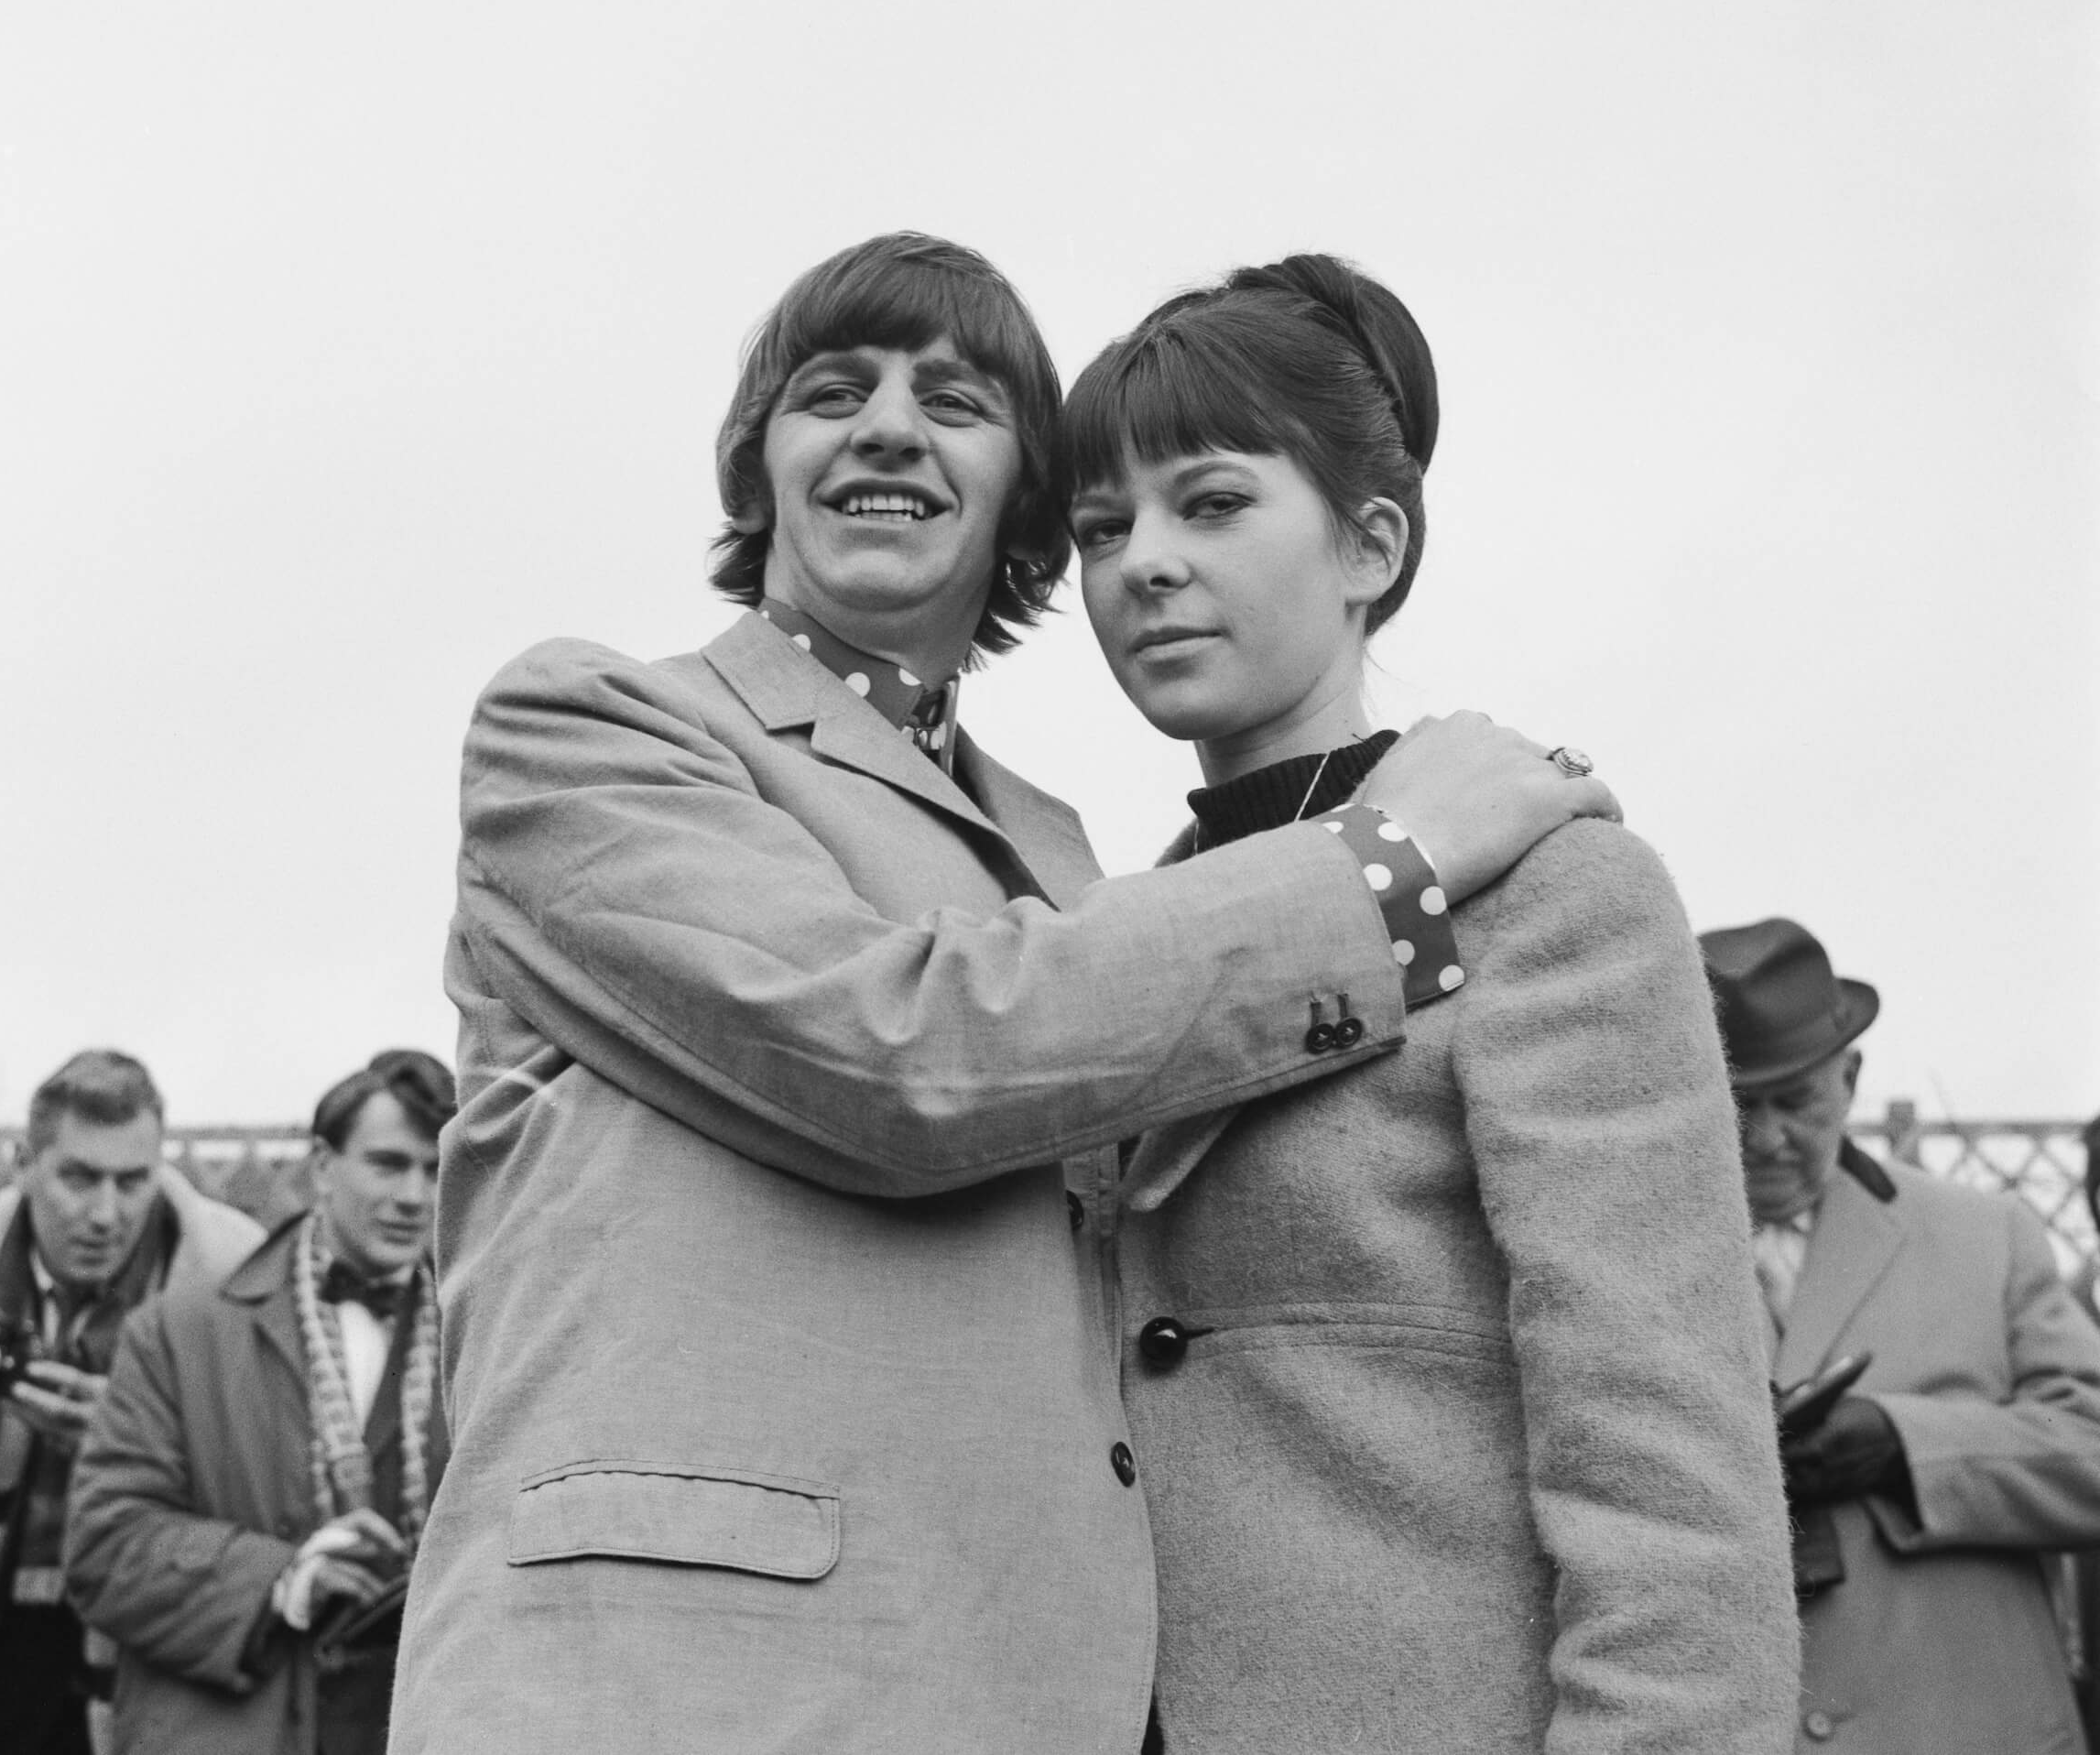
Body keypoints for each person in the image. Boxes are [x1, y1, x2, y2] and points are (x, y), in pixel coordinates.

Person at [388, 231, 1617, 1753]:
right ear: (757, 466)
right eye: (832, 392)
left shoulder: (1070, 863)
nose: (889, 425)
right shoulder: (589, 729)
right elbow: (899, 1051)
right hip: (665, 1687)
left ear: (1028, 515)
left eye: (956, 402)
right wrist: (1392, 865)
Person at [1063, 255, 1798, 1753]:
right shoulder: (1108, 941)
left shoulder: (1551, 897)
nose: (1141, 558)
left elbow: (1669, 1482)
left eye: (1209, 503)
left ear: (1370, 545)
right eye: (1097, 526)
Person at [1703, 914, 2100, 1754]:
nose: (1768, 1139)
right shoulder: (1623, 1256)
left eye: (1797, 1100)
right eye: (1737, 1104)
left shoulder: (1988, 1233)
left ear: (1850, 1076)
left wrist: (1899, 1446)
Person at [65, 1050, 454, 1755]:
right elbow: (105, 1545)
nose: (414, 1196)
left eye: (435, 1170)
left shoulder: (482, 1340)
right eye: (389, 1164)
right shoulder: (180, 1331)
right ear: (322, 1166)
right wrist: (280, 1578)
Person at [0, 1052, 261, 1755]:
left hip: (148, 1653)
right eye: (79, 1177)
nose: (106, 1214)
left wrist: (138, 1443)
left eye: (134, 1182)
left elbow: (272, 1495)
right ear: (21, 1164)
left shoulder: (234, 1287)